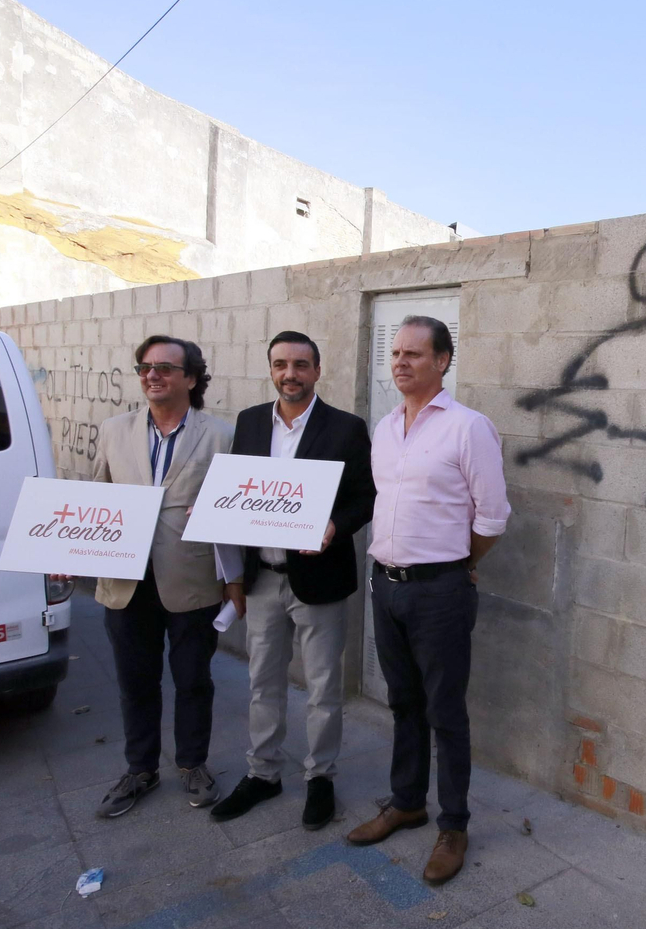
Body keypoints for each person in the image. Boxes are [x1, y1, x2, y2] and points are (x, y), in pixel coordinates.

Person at [345, 315, 510, 885]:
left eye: (415, 354)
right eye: (395, 353)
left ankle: (454, 825)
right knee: (402, 702)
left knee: (445, 711)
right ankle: (406, 802)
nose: (401, 362)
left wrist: (459, 564)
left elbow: (492, 517)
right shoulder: (386, 429)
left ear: (443, 361)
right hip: (385, 586)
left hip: (440, 589)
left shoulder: (468, 428)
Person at [209, 331, 376, 829]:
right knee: (262, 682)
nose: (291, 374)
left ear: (317, 371)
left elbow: (366, 496)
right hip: (263, 578)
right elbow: (239, 491)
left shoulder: (345, 427)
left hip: (319, 576)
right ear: (271, 369)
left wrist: (335, 526)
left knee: (323, 687)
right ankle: (263, 774)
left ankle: (320, 777)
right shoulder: (250, 422)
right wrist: (215, 512)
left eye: (301, 365)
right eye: (281, 364)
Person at [92, 335, 243, 819]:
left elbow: (235, 510)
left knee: (193, 680)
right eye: (144, 367)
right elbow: (98, 498)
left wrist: (234, 581)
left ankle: (192, 764)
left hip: (192, 579)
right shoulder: (114, 430)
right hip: (125, 581)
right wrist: (70, 550)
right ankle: (140, 769)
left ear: (191, 378)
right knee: (136, 682)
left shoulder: (221, 435)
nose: (151, 375)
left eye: (164, 367)